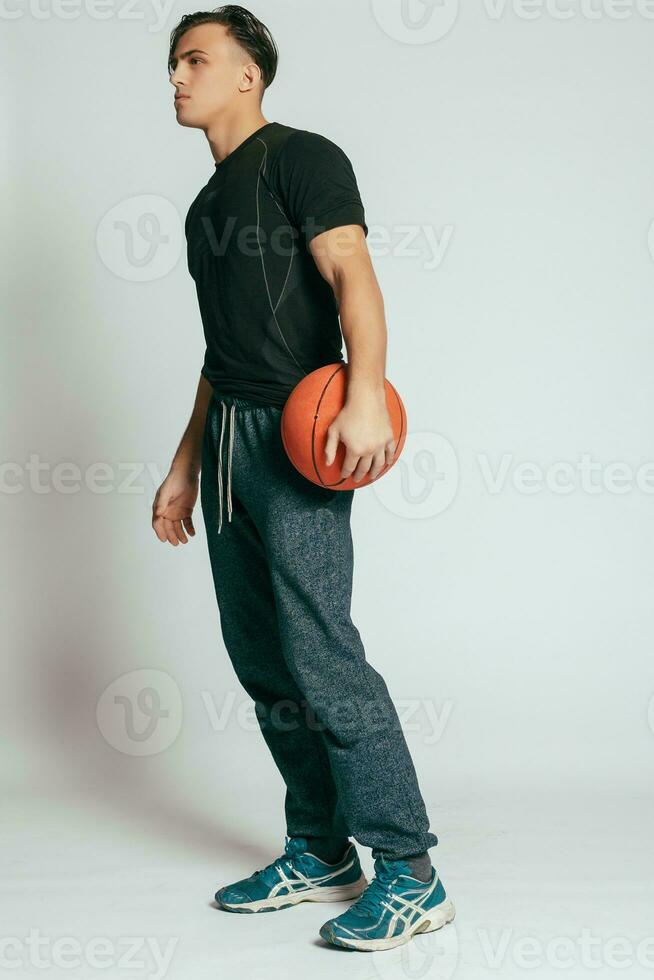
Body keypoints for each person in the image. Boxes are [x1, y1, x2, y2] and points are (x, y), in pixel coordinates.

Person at [152, 3, 455, 952]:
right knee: (262, 660)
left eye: (196, 59)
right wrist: (182, 463)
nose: (176, 77)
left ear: (250, 74)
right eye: (172, 63)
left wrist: (365, 393)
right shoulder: (205, 208)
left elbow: (352, 274)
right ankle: (322, 849)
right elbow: (219, 349)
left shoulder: (302, 156)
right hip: (231, 449)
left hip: (302, 436)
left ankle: (410, 870)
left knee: (321, 652)